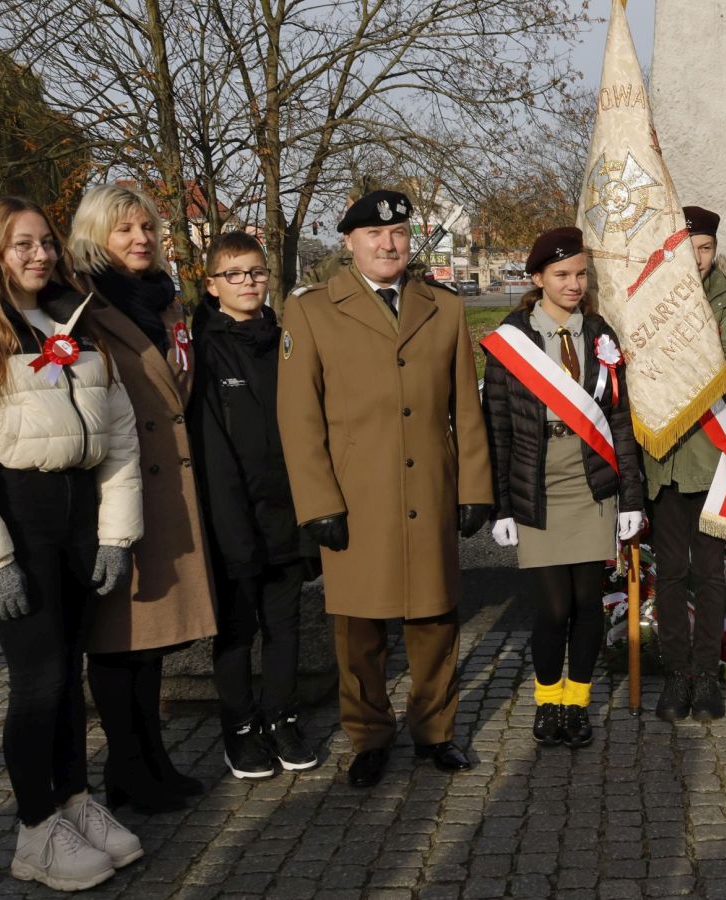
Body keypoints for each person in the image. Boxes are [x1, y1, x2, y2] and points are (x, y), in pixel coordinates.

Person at [0, 197, 143, 890]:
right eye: (22, 244)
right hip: (19, 523)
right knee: (38, 680)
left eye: (46, 242)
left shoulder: (74, 326)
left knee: (68, 672)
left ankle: (74, 800)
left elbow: (119, 437)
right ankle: (36, 829)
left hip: (80, 521)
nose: (40, 255)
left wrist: (115, 534)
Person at [277, 189, 493, 788]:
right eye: (374, 234)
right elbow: (299, 417)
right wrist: (318, 503)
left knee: (435, 620)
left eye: (397, 233)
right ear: (350, 242)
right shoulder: (313, 310)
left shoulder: (442, 307)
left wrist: (475, 486)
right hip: (356, 496)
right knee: (359, 629)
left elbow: (465, 408)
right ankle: (369, 736)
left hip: (430, 488)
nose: (388, 244)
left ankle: (435, 731)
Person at [71, 184, 217, 813]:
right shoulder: (81, 305)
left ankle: (150, 758)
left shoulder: (164, 300)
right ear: (95, 235)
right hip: (115, 490)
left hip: (165, 486)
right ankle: (127, 766)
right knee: (117, 637)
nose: (141, 239)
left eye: (148, 228)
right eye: (125, 229)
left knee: (150, 637)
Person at [482, 227, 645, 748]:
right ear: (537, 278)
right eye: (561, 275)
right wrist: (501, 506)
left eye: (580, 274)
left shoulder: (600, 335)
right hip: (537, 482)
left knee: (587, 604)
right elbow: (497, 427)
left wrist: (631, 497)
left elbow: (619, 420)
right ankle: (547, 699)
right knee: (553, 608)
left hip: (590, 482)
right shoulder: (512, 339)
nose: (573, 284)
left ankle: (576, 704)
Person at [188, 231, 320, 779]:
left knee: (285, 626)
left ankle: (281, 718)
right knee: (237, 630)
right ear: (212, 284)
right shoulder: (202, 349)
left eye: (257, 272)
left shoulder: (286, 342)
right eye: (234, 274)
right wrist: (229, 525)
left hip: (286, 511)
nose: (248, 282)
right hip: (232, 517)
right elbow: (212, 451)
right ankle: (240, 729)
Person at [645, 206, 726, 722]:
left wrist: (670, 364)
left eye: (706, 248)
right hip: (664, 464)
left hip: (712, 465)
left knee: (709, 573)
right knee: (670, 571)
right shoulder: (649, 306)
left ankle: (706, 674)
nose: (698, 258)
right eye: (688, 249)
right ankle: (676, 673)